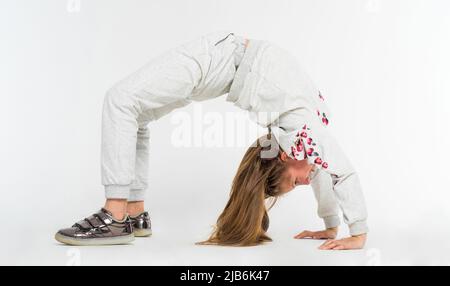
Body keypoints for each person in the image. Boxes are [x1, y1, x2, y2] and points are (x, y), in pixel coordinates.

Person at [55, 31, 368, 249]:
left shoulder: (303, 137)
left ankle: (131, 215)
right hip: (219, 58)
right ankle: (120, 214)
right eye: (298, 182)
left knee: (129, 107)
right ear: (286, 155)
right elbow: (342, 172)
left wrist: (330, 225)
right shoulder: (304, 135)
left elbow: (326, 174)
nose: (309, 178)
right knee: (122, 102)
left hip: (222, 67)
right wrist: (358, 232)